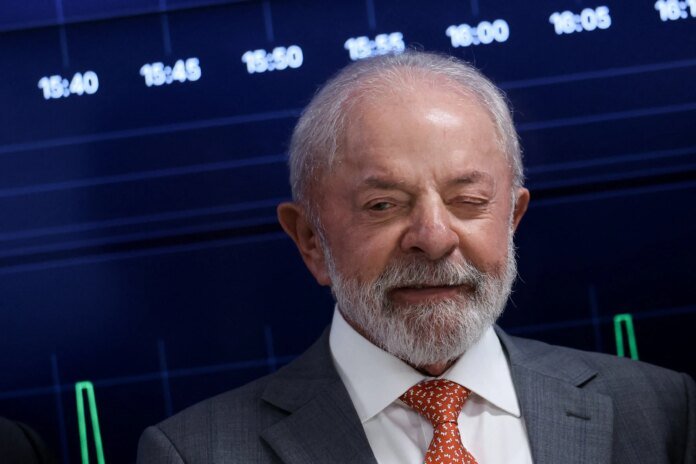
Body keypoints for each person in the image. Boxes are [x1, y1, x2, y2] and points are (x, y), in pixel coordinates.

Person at [137, 51, 695, 463]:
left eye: (468, 201)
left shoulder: (661, 410)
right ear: (310, 239)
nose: (433, 238)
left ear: (512, 219)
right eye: (383, 205)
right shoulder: (194, 453)